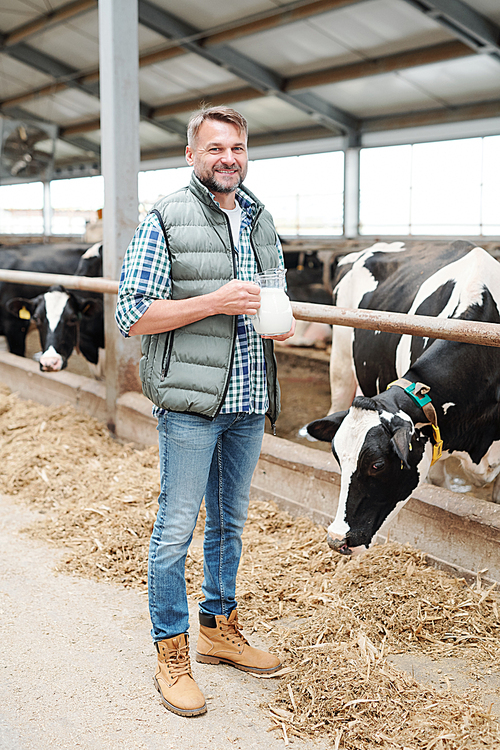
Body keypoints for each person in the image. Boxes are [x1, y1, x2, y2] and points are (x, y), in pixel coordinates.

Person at [115, 106, 295, 718]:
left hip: (249, 399)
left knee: (231, 524)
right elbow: (132, 314)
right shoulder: (167, 216)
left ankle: (219, 627)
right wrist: (213, 301)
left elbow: (274, 292)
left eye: (238, 147)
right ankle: (171, 651)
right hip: (193, 404)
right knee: (175, 531)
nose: (229, 158)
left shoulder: (260, 216)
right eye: (215, 147)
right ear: (192, 155)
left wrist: (282, 322)